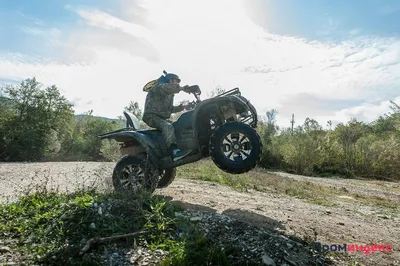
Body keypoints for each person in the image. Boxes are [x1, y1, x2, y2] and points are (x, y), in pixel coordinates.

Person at [142, 71, 191, 161]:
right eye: (176, 81)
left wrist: (183, 107)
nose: (177, 84)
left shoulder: (169, 95)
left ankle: (173, 150)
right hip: (151, 116)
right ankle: (174, 152)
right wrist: (182, 88)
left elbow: (170, 109)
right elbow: (167, 88)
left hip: (161, 117)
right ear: (170, 80)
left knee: (177, 125)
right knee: (168, 127)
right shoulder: (158, 86)